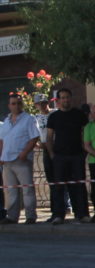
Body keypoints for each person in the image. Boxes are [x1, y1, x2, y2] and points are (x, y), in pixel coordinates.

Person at [46, 88, 90, 224]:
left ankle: (82, 214)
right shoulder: (53, 117)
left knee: (79, 185)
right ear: (58, 100)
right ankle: (59, 215)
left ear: (71, 98)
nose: (65, 100)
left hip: (77, 155)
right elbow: (49, 137)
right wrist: (52, 154)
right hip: (59, 156)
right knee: (58, 187)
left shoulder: (80, 115)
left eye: (67, 97)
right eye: (63, 97)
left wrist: (85, 152)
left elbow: (86, 134)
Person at [0, 93, 40, 225]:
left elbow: (34, 137)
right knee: (10, 190)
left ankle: (30, 216)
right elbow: (2, 140)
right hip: (7, 160)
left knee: (27, 189)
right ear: (9, 105)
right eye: (13, 103)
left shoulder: (29, 119)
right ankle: (12, 216)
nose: (16, 106)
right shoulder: (6, 121)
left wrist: (24, 153)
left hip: (21, 159)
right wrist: (1, 156)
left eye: (18, 103)